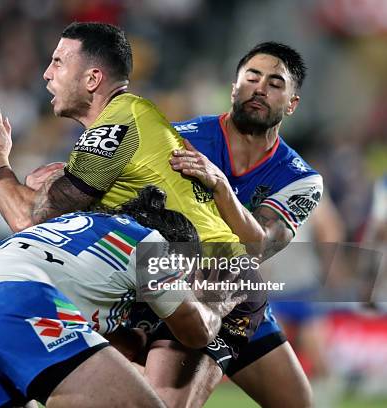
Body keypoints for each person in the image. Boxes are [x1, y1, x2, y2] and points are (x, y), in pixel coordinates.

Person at [0, 22, 267, 369]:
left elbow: (30, 222)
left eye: (58, 62)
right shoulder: (125, 120)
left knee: (152, 398)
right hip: (187, 273)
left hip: (210, 278)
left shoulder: (116, 128)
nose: (46, 74)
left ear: (92, 79)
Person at [0, 186, 245, 407]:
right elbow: (196, 331)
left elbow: (91, 346)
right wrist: (219, 300)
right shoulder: (150, 241)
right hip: (21, 302)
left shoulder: (75, 226)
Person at [138, 42, 323, 407]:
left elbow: (257, 246)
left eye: (274, 83)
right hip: (165, 287)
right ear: (234, 88)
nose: (260, 88)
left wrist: (221, 186)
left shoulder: (300, 179)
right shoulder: (180, 139)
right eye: (252, 78)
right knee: (166, 399)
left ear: (292, 103)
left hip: (234, 295)